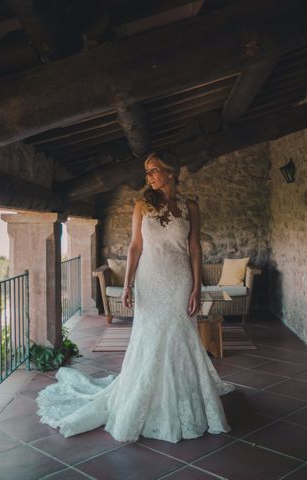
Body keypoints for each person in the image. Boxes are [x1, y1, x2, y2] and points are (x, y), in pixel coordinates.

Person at [36, 152, 233, 443]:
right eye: (147, 172)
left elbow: (195, 250)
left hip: (179, 279)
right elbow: (134, 247)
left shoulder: (190, 206)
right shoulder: (142, 205)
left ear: (171, 172)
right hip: (150, 280)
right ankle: (147, 397)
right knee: (150, 337)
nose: (150, 176)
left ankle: (184, 398)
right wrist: (127, 284)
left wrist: (197, 287)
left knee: (180, 333)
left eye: (154, 170)